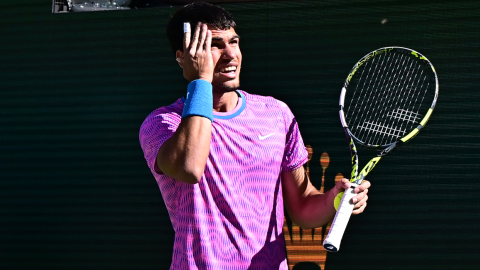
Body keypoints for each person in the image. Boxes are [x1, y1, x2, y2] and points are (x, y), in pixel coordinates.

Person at [139, 2, 370, 270]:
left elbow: (303, 207)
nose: (230, 55)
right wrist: (200, 81)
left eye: (233, 42)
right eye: (214, 45)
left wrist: (335, 200)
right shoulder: (162, 123)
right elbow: (189, 168)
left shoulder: (276, 113)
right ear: (184, 57)